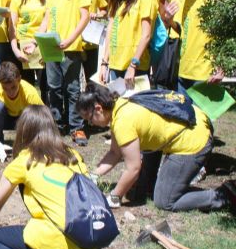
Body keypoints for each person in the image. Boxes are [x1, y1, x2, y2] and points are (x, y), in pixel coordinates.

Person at [0, 105, 96, 249]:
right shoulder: (73, 155)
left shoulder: (25, 160)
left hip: (56, 239)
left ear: (24, 130)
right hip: (89, 241)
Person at [76, 83, 235, 212]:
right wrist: (93, 175)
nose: (90, 124)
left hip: (194, 141)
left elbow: (133, 168)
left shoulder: (123, 122)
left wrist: (115, 196)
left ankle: (222, 195)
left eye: (89, 119)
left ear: (98, 108)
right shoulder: (120, 106)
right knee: (153, 190)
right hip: (194, 123)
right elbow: (115, 153)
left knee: (165, 201)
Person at [35, 0, 91, 146]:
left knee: (73, 88)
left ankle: (77, 127)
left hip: (71, 48)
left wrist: (70, 40)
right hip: (51, 49)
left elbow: (85, 17)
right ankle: (57, 125)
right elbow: (47, 19)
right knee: (54, 88)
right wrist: (36, 41)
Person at [99, 0, 157, 88]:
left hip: (135, 67)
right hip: (115, 65)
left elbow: (146, 35)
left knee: (134, 107)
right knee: (117, 106)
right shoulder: (121, 1)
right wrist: (104, 63)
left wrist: (133, 65)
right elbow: (111, 32)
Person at [173, 0, 224, 93]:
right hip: (183, 72)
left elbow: (225, 34)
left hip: (204, 73)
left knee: (202, 116)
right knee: (182, 115)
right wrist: (169, 20)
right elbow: (184, 30)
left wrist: (221, 66)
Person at [0, 62, 42, 163]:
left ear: (19, 80)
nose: (10, 92)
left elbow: (44, 118)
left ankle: (27, 142)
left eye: (13, 87)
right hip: (4, 119)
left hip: (23, 120)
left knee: (32, 112)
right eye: (5, 88)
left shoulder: (29, 91)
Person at [9, 0, 48, 101]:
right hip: (22, 47)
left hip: (41, 46)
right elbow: (12, 26)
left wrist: (35, 42)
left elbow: (46, 22)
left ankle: (46, 117)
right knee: (25, 85)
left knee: (45, 86)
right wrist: (16, 50)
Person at [81, 0, 108, 81]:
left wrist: (96, 15)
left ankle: (91, 97)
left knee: (91, 76)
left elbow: (104, 11)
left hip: (90, 40)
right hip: (72, 42)